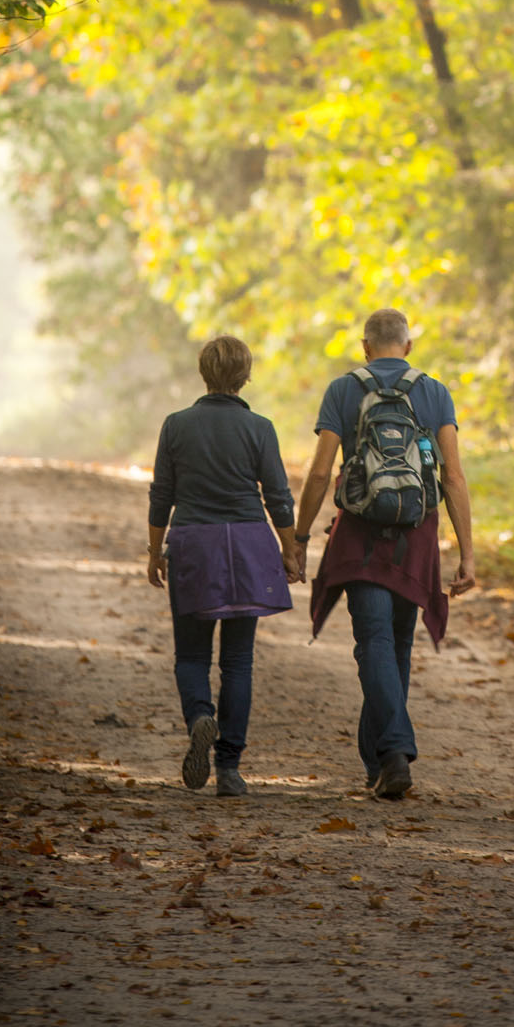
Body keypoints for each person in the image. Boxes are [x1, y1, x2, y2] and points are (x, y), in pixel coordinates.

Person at [295, 307, 476, 800]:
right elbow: (453, 476)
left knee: (372, 641)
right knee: (396, 646)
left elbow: (318, 473)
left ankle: (392, 752)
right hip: (416, 536)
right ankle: (381, 761)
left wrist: (299, 536)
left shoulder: (343, 389)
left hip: (360, 535)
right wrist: (467, 555)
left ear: (365, 346)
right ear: (409, 346)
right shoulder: (435, 391)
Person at [147, 334, 300, 796]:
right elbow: (277, 495)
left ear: (203, 373)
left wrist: (154, 552)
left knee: (192, 655)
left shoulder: (176, 425)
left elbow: (162, 495)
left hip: (195, 544)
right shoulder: (260, 428)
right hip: (249, 545)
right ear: (245, 375)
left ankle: (200, 716)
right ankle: (229, 769)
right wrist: (290, 550)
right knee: (238, 660)